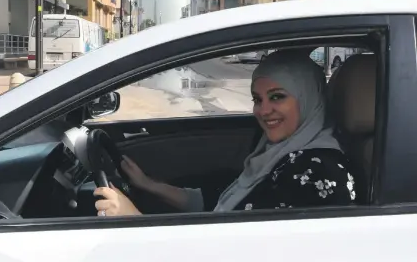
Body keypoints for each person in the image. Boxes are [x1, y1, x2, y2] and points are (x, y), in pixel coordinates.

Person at [93, 50, 358, 216]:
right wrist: (149, 186)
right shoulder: (277, 153)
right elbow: (218, 203)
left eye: (277, 97)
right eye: (257, 99)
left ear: (308, 99)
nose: (264, 110)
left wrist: (133, 219)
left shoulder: (320, 173)